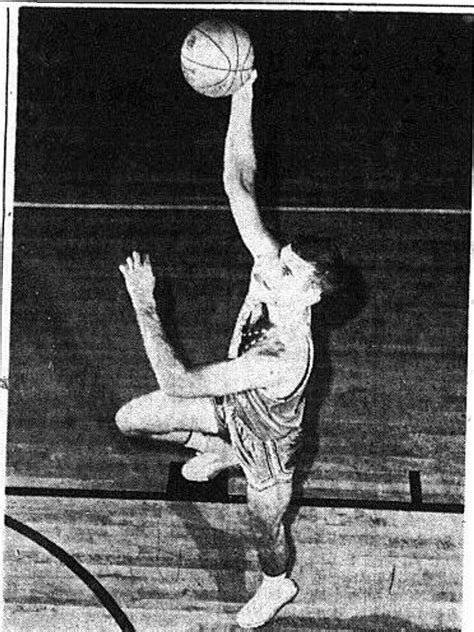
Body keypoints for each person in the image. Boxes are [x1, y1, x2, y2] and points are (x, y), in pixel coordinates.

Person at [116, 71, 343, 629]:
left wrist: (144, 304)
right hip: (230, 409)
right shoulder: (275, 273)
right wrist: (242, 92)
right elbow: (239, 183)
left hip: (268, 445)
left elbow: (180, 383)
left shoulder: (284, 354)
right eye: (281, 253)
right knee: (131, 421)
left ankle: (277, 584)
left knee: (267, 528)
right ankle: (220, 451)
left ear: (311, 293)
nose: (272, 261)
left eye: (287, 266)